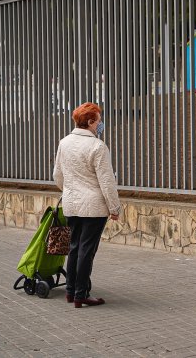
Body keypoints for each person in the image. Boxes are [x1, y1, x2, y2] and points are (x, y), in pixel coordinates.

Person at [53, 102, 121, 308]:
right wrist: (115, 208)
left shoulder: (64, 143)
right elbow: (106, 181)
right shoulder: (97, 147)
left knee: (74, 247)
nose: (100, 124)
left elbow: (58, 175)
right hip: (93, 207)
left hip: (72, 204)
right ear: (91, 122)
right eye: (99, 121)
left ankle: (71, 291)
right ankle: (81, 294)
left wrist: (70, 190)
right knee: (87, 250)